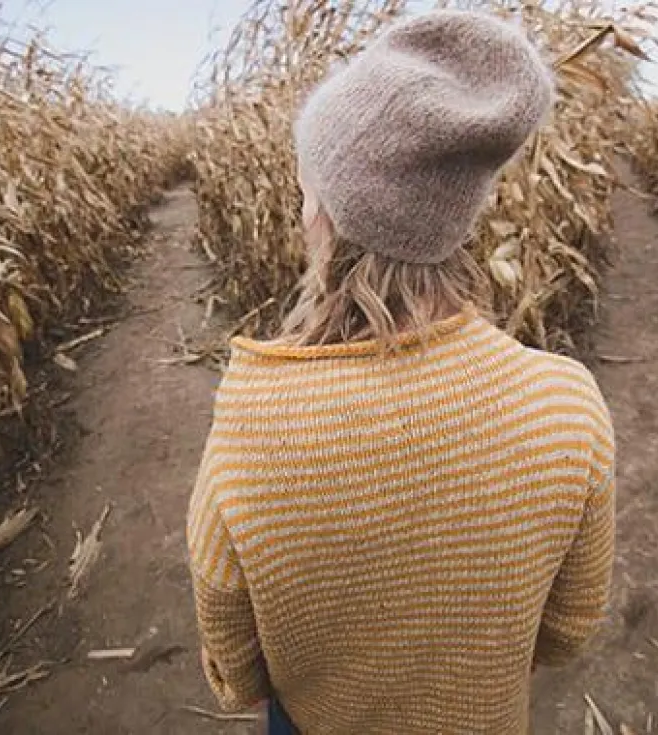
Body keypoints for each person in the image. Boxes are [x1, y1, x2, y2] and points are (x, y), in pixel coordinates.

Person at [185, 9, 616, 734]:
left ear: (327, 215)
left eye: (307, 189)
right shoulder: (567, 406)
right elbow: (569, 630)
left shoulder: (253, 429)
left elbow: (235, 665)